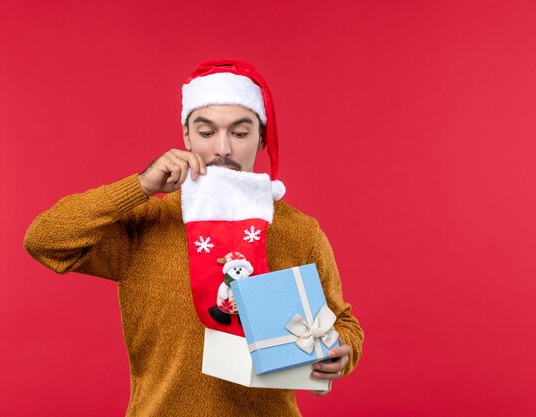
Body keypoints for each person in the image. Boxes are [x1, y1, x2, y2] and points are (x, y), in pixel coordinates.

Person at [23, 59, 364, 417]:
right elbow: (45, 239)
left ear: (261, 136)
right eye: (206, 132)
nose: (223, 149)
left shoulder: (299, 231)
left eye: (239, 132)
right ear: (186, 136)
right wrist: (139, 186)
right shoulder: (149, 222)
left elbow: (344, 324)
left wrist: (343, 351)